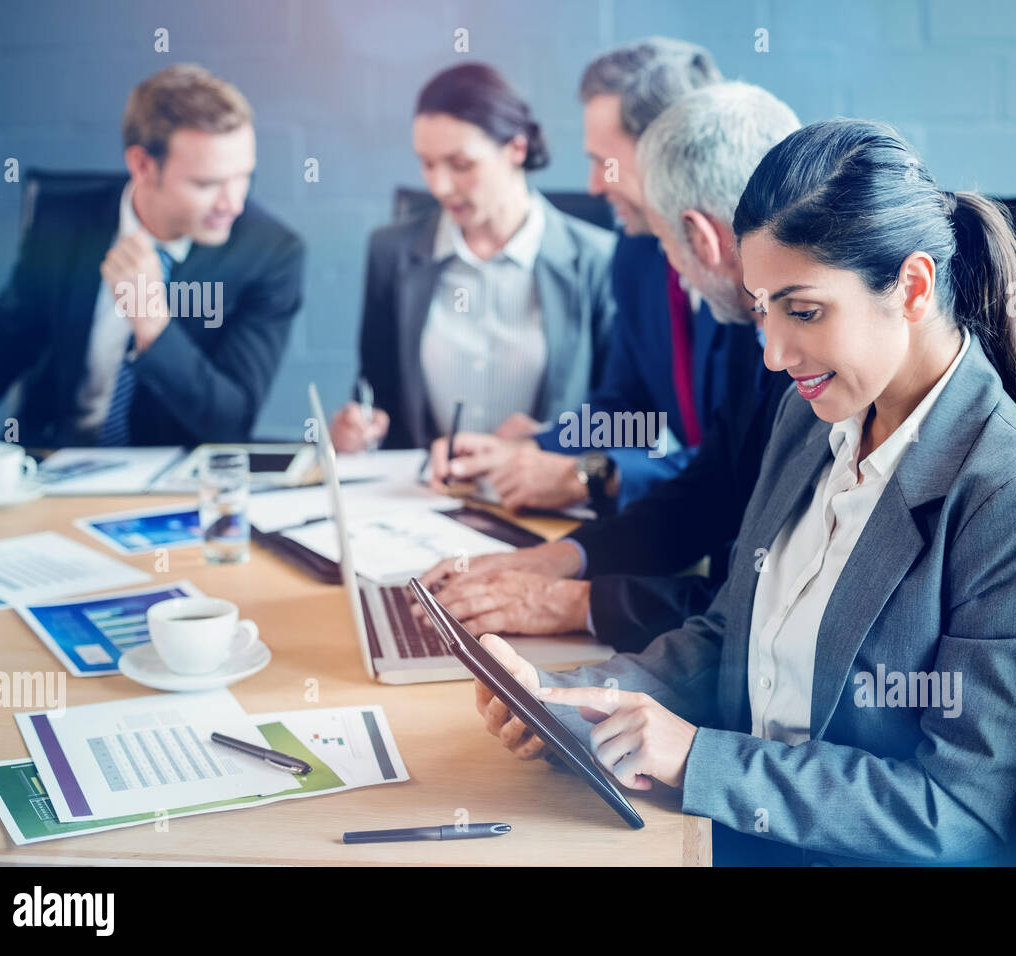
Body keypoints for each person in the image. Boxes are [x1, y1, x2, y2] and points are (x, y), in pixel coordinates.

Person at [470, 119, 1016, 866]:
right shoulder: (810, 413)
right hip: (714, 826)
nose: (772, 353)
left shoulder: (1012, 499)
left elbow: (957, 813)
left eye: (803, 311)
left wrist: (697, 760)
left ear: (914, 287)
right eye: (761, 308)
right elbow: (727, 637)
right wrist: (574, 702)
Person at [419, 82, 800, 652]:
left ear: (697, 234)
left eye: (604, 161)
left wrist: (571, 601)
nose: (597, 184)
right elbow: (712, 487)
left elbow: (765, 607)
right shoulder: (759, 320)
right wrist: (559, 558)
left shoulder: (785, 345)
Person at [426, 38, 762, 516]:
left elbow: (736, 465)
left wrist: (591, 476)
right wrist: (536, 447)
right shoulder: (637, 251)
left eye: (603, 161)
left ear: (668, 150)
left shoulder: (750, 275)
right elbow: (629, 412)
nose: (593, 185)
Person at [0, 64, 304, 447]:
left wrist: (153, 325)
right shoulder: (63, 223)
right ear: (142, 165)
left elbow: (231, 423)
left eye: (244, 176)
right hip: (53, 467)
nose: (234, 202)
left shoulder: (270, 252)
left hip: (171, 479)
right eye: (208, 183)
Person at [329, 63, 615, 453]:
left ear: (516, 148)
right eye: (427, 164)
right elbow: (379, 394)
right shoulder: (390, 254)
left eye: (461, 165)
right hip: (422, 496)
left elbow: (626, 418)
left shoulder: (599, 261)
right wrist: (360, 428)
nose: (440, 186)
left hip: (547, 501)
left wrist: (553, 443)